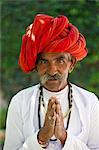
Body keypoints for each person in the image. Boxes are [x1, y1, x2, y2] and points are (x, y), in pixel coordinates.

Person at [4, 14, 99, 150]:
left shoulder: (89, 102)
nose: (52, 71)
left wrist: (63, 136)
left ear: (71, 64)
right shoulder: (20, 101)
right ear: (36, 65)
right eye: (44, 62)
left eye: (60, 60)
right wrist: (41, 138)